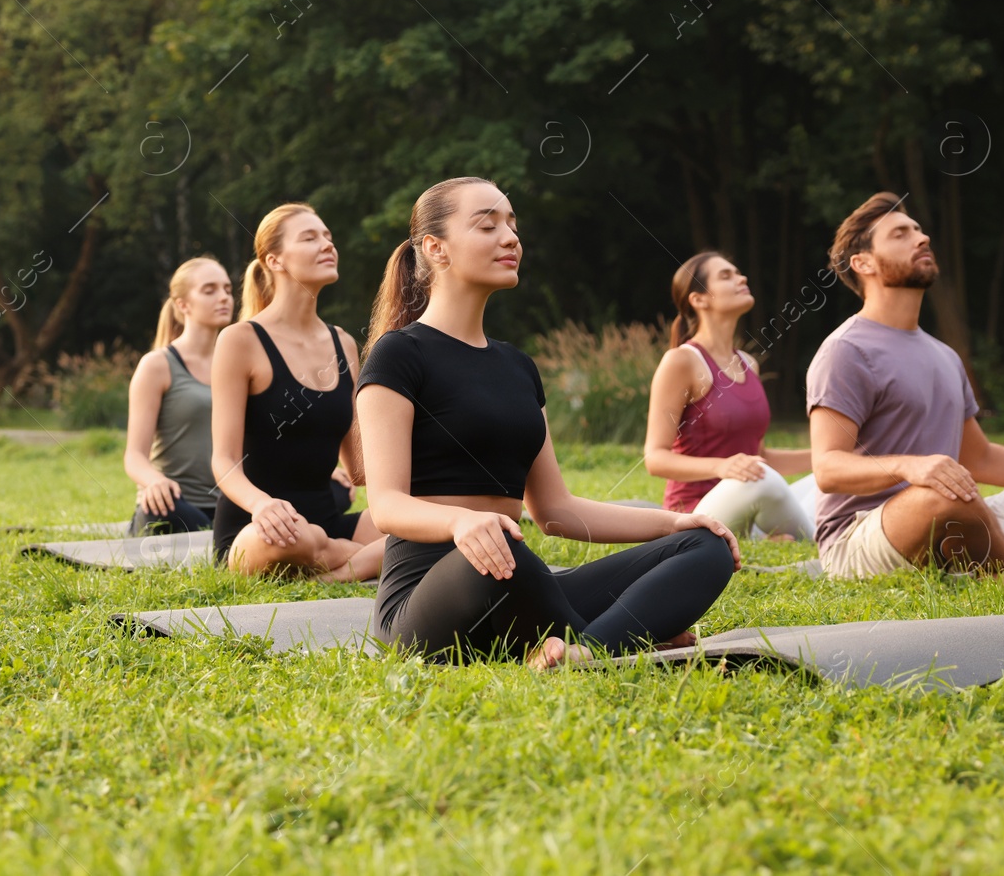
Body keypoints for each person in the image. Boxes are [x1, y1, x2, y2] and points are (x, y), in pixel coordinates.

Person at [355, 177, 739, 670]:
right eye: (488, 225)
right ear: (436, 248)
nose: (511, 238)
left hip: (517, 576)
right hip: (433, 595)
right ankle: (618, 642)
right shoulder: (398, 355)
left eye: (513, 225)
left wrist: (674, 522)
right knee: (507, 558)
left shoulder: (517, 367)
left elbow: (555, 509)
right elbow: (386, 507)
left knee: (705, 548)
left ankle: (580, 650)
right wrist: (462, 522)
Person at [808, 192, 1004, 584]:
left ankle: (987, 574)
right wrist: (911, 466)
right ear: (863, 263)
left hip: (955, 512)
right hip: (860, 537)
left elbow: (980, 459)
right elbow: (827, 468)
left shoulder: (945, 356)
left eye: (920, 232)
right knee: (946, 492)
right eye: (901, 234)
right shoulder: (846, 350)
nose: (922, 239)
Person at [210, 202, 384, 581]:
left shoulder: (343, 344)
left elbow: (358, 468)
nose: (327, 245)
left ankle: (334, 567)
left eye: (328, 237)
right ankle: (362, 561)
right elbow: (223, 461)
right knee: (289, 541)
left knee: (419, 524)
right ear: (275, 260)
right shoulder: (240, 340)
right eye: (310, 238)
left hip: (328, 522)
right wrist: (262, 506)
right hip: (260, 530)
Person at [644, 251, 814, 541]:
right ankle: (825, 546)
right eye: (726, 276)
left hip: (746, 501)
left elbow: (758, 457)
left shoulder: (749, 363)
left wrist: (828, 458)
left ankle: (769, 535)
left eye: (738, 273)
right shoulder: (682, 361)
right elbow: (655, 458)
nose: (741, 278)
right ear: (699, 299)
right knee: (765, 481)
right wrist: (721, 466)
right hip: (695, 513)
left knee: (824, 480)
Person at [124, 257, 234, 534]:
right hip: (175, 506)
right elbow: (134, 456)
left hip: (230, 504)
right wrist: (154, 482)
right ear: (183, 305)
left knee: (331, 492)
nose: (223, 297)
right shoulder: (157, 365)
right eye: (209, 290)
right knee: (161, 511)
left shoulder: (239, 363)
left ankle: (218, 534)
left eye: (228, 289)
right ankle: (218, 537)